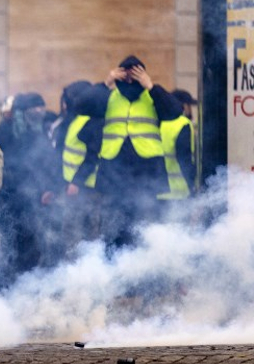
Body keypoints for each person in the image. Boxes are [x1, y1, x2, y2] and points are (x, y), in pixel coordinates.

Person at [75, 55, 183, 255]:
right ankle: (115, 269)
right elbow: (80, 106)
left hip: (146, 171)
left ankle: (142, 272)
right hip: (113, 170)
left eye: (136, 74)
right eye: (126, 74)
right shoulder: (109, 95)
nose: (131, 80)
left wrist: (151, 86)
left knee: (144, 227)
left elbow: (175, 111)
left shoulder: (153, 95)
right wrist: (106, 83)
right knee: (114, 227)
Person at [0, 92, 60, 276]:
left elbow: (51, 163)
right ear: (22, 112)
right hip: (12, 198)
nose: (39, 112)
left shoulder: (43, 130)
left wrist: (50, 188)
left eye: (41, 107)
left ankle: (31, 280)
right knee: (13, 242)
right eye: (34, 108)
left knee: (36, 241)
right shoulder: (6, 130)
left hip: (39, 197)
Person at [57, 81, 101, 259]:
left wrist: (77, 181)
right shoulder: (75, 121)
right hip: (74, 188)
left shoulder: (89, 122)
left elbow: (92, 156)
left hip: (86, 188)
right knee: (72, 235)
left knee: (85, 236)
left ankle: (86, 276)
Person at [156, 89, 196, 201]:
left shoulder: (158, 121)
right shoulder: (182, 123)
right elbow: (184, 158)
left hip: (157, 190)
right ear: (183, 106)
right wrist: (192, 184)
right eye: (189, 105)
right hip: (179, 191)